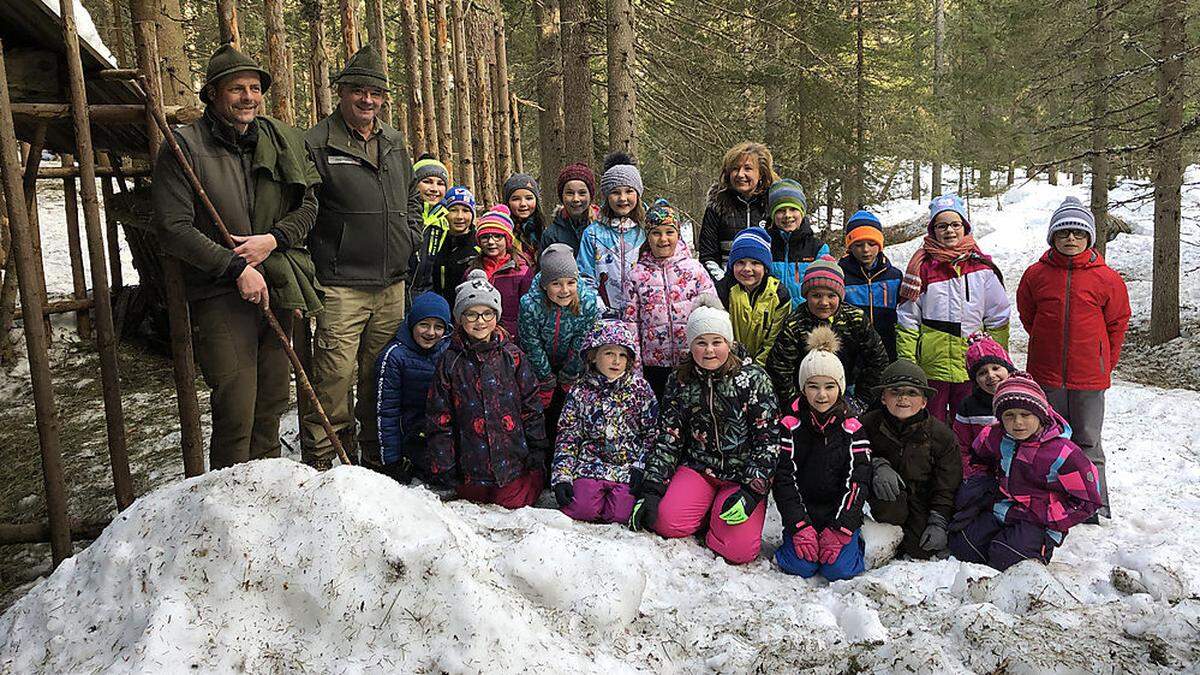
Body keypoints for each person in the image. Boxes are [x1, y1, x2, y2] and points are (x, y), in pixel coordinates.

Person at [153, 44, 321, 470]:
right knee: (236, 402)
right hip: (219, 293)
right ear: (212, 94)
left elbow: (308, 204)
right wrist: (235, 268)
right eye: (236, 89)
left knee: (271, 399)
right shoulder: (184, 147)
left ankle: (262, 491)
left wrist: (274, 240)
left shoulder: (281, 140)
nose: (248, 97)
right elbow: (174, 229)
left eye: (254, 88)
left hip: (278, 280)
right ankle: (230, 495)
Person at [303, 45, 421, 469]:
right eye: (358, 91)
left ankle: (376, 459)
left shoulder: (394, 141)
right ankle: (324, 463)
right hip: (340, 285)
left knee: (378, 378)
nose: (367, 100)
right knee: (333, 378)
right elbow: (306, 206)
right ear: (341, 92)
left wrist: (411, 235)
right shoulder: (317, 142)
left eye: (375, 92)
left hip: (390, 284)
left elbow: (411, 196)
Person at [628, 299, 780, 565]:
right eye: (701, 342)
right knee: (664, 522)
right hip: (699, 469)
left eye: (716, 341)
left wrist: (752, 490)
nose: (709, 350)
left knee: (739, 552)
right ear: (691, 345)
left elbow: (768, 442)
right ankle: (703, 509)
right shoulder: (680, 379)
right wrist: (651, 488)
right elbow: (669, 437)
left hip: (740, 476)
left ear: (729, 343)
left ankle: (720, 518)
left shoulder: (754, 378)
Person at [1016, 197, 1130, 519]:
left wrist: (1104, 363)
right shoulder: (1035, 275)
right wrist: (1042, 343)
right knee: (1045, 437)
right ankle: (1047, 497)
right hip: (1045, 374)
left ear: (1089, 239)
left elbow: (1117, 323)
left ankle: (1094, 504)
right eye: (1063, 232)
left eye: (1078, 234)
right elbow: (1029, 315)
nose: (1070, 239)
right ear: (1052, 236)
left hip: (1089, 377)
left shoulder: (1107, 278)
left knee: (1088, 441)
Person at [948, 373, 1103, 570]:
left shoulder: (1063, 453)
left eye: (1025, 414)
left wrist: (1048, 516)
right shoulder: (995, 436)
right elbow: (977, 457)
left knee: (1006, 558)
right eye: (1009, 415)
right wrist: (982, 487)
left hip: (1040, 519)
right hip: (1003, 507)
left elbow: (1087, 500)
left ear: (1040, 415)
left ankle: (1039, 549)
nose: (1018, 422)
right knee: (964, 548)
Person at [427, 271, 549, 508]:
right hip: (471, 464)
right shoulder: (450, 361)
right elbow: (439, 416)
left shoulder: (512, 356)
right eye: (471, 314)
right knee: (474, 505)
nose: (480, 321)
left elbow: (530, 404)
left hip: (511, 462)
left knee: (511, 505)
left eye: (487, 313)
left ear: (497, 316)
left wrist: (538, 446)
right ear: (460, 318)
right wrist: (444, 464)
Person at [896, 194, 1010, 423]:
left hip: (971, 366)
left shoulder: (982, 268)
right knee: (931, 424)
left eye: (955, 224)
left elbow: (998, 318)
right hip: (932, 366)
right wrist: (909, 364)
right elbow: (908, 321)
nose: (949, 231)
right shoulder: (921, 269)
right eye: (942, 225)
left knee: (971, 423)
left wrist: (995, 362)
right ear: (933, 230)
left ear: (965, 227)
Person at [772, 326, 872, 581]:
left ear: (840, 387)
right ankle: (796, 541)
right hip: (804, 512)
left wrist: (842, 527)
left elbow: (858, 480)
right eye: (813, 386)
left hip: (838, 511)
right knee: (801, 567)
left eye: (829, 386)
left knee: (838, 571)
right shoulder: (790, 425)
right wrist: (799, 525)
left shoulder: (852, 428)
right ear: (803, 388)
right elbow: (784, 479)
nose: (822, 395)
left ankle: (855, 543)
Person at [552, 319, 658, 524]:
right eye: (609, 353)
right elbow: (568, 435)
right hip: (590, 464)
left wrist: (641, 466)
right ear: (593, 357)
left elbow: (652, 433)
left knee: (620, 515)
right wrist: (562, 477)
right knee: (581, 508)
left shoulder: (640, 390)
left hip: (627, 465)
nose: (616, 361)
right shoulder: (580, 390)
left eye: (622, 356)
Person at [861, 360, 962, 559]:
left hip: (922, 500)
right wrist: (876, 465)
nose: (903, 398)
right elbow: (848, 458)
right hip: (883, 499)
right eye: (895, 391)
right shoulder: (866, 425)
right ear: (883, 397)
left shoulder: (942, 436)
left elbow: (947, 484)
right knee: (890, 504)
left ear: (924, 401)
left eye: (912, 393)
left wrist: (938, 520)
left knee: (921, 549)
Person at [766, 257, 890, 410]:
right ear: (806, 296)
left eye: (831, 296)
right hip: (807, 394)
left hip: (848, 391)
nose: (824, 302)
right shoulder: (795, 324)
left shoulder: (855, 319)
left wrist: (862, 400)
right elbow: (780, 369)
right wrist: (795, 404)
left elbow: (878, 360)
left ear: (840, 296)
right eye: (816, 295)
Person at [623, 199, 716, 398]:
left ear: (678, 234)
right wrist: (636, 369)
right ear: (647, 237)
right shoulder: (636, 275)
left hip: (691, 360)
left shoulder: (695, 270)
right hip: (654, 366)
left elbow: (713, 315)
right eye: (656, 233)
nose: (663, 239)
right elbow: (631, 325)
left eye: (669, 232)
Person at [519, 244, 603, 441]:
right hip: (539, 367)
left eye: (570, 283)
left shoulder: (588, 302)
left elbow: (582, 340)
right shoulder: (530, 304)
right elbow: (531, 342)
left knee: (568, 412)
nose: (565, 290)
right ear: (545, 284)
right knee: (542, 414)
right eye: (556, 283)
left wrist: (569, 374)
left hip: (572, 366)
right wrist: (545, 378)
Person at [374, 292, 452, 483]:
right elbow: (387, 412)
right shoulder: (394, 357)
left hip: (443, 432)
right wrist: (391, 461)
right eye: (424, 325)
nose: (431, 332)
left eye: (438, 326)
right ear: (412, 324)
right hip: (411, 434)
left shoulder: (449, 350)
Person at [577, 152, 647, 313]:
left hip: (644, 313)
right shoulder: (593, 234)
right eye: (615, 192)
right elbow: (584, 277)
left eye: (629, 191)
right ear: (607, 196)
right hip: (606, 316)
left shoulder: (647, 231)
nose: (622, 198)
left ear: (638, 193)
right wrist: (600, 308)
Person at [698, 141, 779, 280]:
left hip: (767, 287)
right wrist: (724, 283)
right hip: (726, 282)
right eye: (735, 169)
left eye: (747, 168)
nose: (740, 174)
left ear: (761, 173)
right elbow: (707, 255)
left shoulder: (772, 205)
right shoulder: (717, 205)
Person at [716, 226, 791, 366]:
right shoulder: (722, 290)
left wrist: (758, 367)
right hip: (728, 362)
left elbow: (773, 338)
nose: (747, 269)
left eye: (755, 263)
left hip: (765, 364)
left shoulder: (779, 294)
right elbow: (719, 332)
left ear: (765, 267)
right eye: (740, 262)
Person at [839, 210, 903, 361]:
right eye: (859, 244)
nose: (866, 250)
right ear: (850, 247)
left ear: (880, 245)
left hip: (889, 349)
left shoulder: (894, 276)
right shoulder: (842, 276)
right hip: (853, 352)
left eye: (872, 244)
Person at [467, 204, 534, 340]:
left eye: (497, 236)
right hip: (479, 335)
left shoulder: (521, 271)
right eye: (485, 237)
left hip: (513, 337)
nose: (491, 242)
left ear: (507, 240)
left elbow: (528, 310)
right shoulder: (472, 270)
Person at [952, 332, 1014, 478]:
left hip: (1021, 468)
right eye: (982, 373)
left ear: (1008, 369)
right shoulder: (969, 406)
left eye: (996, 368)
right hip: (983, 470)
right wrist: (971, 471)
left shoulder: (1023, 397)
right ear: (975, 381)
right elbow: (961, 445)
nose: (991, 375)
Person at [765, 178, 828, 306]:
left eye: (793, 209)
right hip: (771, 317)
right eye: (781, 210)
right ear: (772, 214)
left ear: (802, 212)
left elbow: (825, 288)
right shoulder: (764, 245)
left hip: (804, 318)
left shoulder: (817, 248)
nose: (787, 215)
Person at [414, 185, 478, 307]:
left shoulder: (479, 245)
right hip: (438, 309)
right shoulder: (437, 241)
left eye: (465, 210)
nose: (460, 216)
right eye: (453, 210)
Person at [541, 162, 599, 254]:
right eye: (570, 193)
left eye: (582, 193)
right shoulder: (552, 235)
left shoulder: (602, 229)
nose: (576, 199)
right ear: (562, 196)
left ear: (590, 195)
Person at [414, 154, 450, 263]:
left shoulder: (444, 222)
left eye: (440, 183)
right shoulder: (401, 215)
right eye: (427, 182)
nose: (434, 189)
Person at [504, 173, 547, 253]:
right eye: (516, 199)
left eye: (529, 198)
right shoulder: (501, 232)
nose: (523, 204)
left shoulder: (543, 230)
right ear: (508, 203)